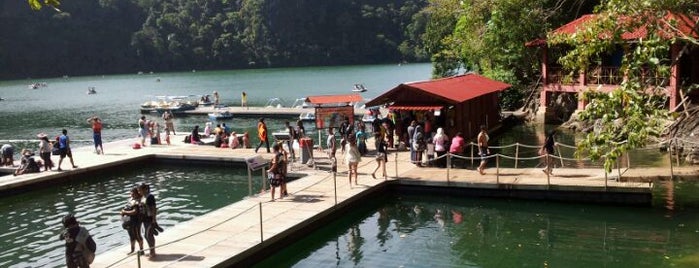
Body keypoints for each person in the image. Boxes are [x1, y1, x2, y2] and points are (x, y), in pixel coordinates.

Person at [138, 183, 160, 259]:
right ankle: (151, 250)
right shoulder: (142, 197)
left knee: (149, 235)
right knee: (146, 235)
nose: (139, 191)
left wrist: (154, 219)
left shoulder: (150, 197)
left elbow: (153, 208)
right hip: (144, 219)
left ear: (144, 189)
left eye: (140, 190)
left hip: (150, 218)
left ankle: (152, 251)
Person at [120, 187, 144, 254]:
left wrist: (124, 212)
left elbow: (135, 212)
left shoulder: (137, 201)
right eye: (131, 193)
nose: (132, 195)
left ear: (137, 194)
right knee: (131, 235)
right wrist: (123, 213)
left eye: (133, 194)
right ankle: (132, 250)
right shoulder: (131, 199)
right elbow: (127, 208)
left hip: (136, 221)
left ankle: (141, 250)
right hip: (129, 220)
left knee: (137, 235)